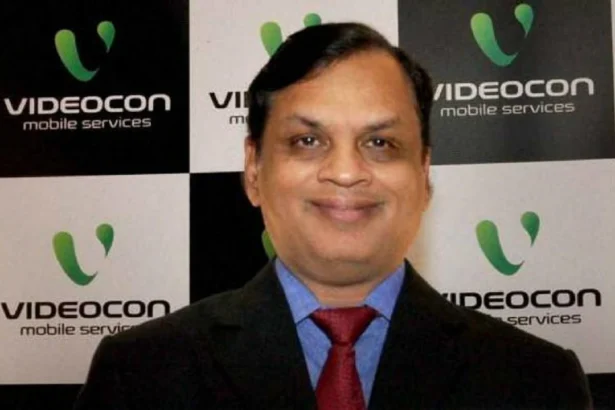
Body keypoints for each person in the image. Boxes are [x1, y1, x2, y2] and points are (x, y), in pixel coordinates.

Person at [73, 22, 592, 409]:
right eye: (308, 140)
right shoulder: (141, 374)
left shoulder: (536, 382)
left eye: (381, 143)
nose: (345, 172)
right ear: (253, 169)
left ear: (424, 173)